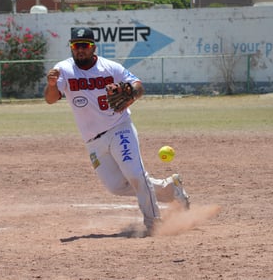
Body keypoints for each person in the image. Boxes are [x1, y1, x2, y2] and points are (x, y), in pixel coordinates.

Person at [44, 27, 190, 236]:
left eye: (84, 45)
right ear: (71, 47)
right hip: (92, 140)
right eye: (76, 46)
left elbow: (137, 85)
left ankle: (154, 224)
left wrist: (132, 95)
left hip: (119, 128)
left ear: (93, 47)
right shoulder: (64, 70)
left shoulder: (109, 67)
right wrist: (51, 84)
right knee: (116, 187)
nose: (80, 50)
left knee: (135, 174)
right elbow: (50, 98)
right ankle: (171, 189)